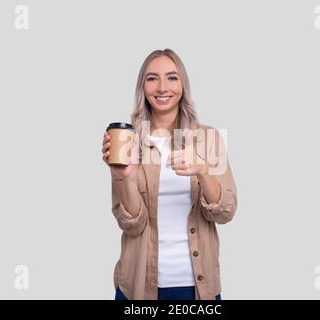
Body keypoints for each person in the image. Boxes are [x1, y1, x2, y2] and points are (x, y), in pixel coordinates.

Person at [101, 49, 237, 300]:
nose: (162, 87)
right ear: (142, 86)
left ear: (183, 84)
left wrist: (203, 171)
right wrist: (126, 176)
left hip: (197, 286)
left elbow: (225, 213)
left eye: (172, 78)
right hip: (138, 286)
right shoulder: (129, 141)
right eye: (152, 78)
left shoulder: (208, 138)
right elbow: (131, 225)